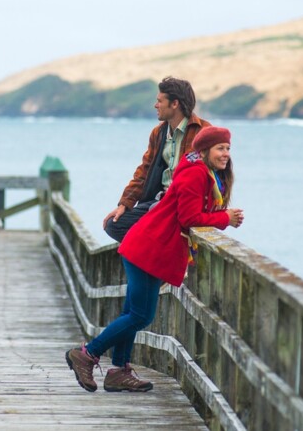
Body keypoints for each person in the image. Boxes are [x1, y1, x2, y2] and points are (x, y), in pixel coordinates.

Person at [67, 126, 244, 392]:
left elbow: (190, 214)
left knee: (132, 313)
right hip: (147, 248)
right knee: (140, 316)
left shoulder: (202, 173)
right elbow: (189, 218)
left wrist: (223, 217)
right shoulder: (196, 175)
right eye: (220, 148)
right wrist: (225, 219)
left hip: (151, 248)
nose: (226, 154)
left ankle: (118, 371)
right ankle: (87, 354)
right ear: (205, 151)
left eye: (228, 149)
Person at [103, 76, 211, 243]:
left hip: (184, 205)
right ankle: (160, 249)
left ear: (174, 104)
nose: (156, 105)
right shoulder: (158, 133)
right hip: (160, 202)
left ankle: (161, 250)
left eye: (160, 101)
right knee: (114, 225)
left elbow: (216, 174)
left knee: (152, 232)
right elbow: (144, 171)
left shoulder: (203, 131)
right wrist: (124, 204)